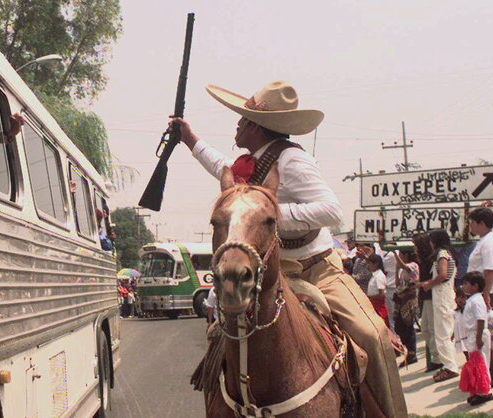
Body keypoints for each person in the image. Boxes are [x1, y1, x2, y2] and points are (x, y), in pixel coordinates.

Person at [173, 80, 406, 416]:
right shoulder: (252, 161)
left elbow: (331, 210)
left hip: (318, 269)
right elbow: (222, 168)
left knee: (372, 336)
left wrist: (267, 216)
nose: (237, 124)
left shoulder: (293, 161)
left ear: (257, 127)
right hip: (275, 271)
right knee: (217, 336)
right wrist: (190, 140)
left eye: (243, 119)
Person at [466, 207, 493, 387]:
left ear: (480, 223)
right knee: (488, 333)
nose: (470, 226)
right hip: (485, 291)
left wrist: (485, 295)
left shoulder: (489, 242)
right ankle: (491, 370)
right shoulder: (485, 240)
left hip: (488, 291)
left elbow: (489, 270)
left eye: (472, 222)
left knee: (492, 334)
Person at [416, 229, 458, 383]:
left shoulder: (442, 255)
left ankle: (450, 366)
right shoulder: (447, 254)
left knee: (442, 334)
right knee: (443, 332)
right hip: (443, 296)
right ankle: (449, 364)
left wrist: (428, 284)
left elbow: (442, 275)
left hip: (442, 297)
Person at [458, 272, 493, 406]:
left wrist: (478, 338)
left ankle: (485, 392)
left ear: (475, 286)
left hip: (478, 334)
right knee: (475, 363)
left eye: (466, 284)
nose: (464, 286)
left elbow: (480, 319)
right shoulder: (472, 299)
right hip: (472, 335)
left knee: (481, 363)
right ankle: (478, 390)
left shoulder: (477, 300)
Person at [413, 233, 442, 371]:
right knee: (425, 328)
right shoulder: (423, 261)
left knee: (431, 328)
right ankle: (436, 357)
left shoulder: (431, 260)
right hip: (426, 296)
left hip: (431, 296)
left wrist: (421, 284)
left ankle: (437, 358)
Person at [394, 251, 419, 366]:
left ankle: (412, 352)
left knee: (408, 326)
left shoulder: (413, 265)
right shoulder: (402, 270)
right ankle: (409, 350)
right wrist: (396, 269)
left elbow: (405, 266)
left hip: (409, 300)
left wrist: (395, 255)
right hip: (401, 299)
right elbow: (397, 283)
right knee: (399, 326)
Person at [366, 254, 389, 325]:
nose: (368, 265)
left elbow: (381, 294)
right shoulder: (374, 275)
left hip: (378, 307)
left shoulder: (379, 276)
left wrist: (369, 298)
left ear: (375, 264)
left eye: (369, 263)